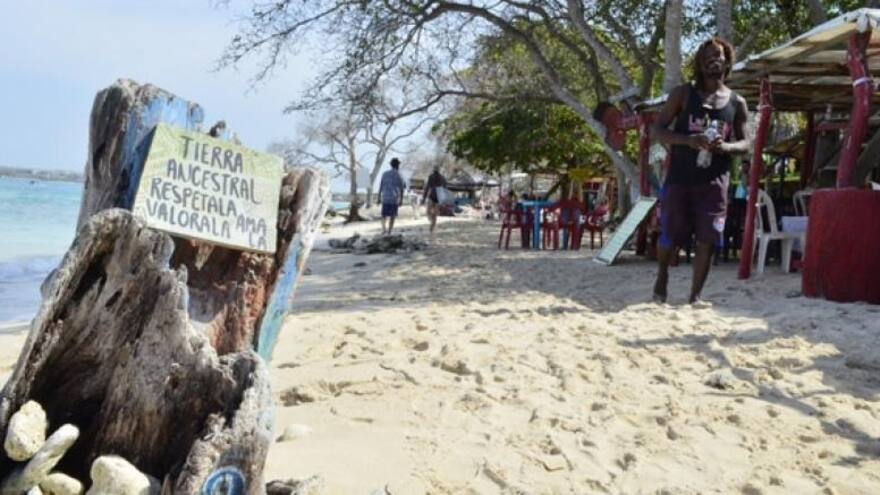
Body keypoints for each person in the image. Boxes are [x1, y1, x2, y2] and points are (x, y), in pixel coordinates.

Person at [651, 37, 750, 304]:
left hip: (715, 182)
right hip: (680, 179)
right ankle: (662, 277)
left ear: (727, 61)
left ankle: (695, 296)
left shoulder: (736, 102)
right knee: (670, 235)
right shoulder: (683, 94)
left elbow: (746, 142)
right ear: (698, 62)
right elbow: (656, 129)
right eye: (706, 55)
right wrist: (688, 141)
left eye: (718, 55)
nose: (712, 59)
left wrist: (725, 147)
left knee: (708, 239)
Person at [378, 157, 406, 235]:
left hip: (385, 197)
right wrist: (401, 200)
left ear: (391, 165)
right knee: (392, 216)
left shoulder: (384, 174)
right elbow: (402, 188)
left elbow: (381, 186)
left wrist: (378, 197)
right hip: (394, 198)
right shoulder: (399, 175)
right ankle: (389, 231)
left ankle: (384, 229)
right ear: (397, 165)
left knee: (384, 215)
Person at [422, 165, 447, 234]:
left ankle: (431, 227)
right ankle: (432, 227)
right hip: (437, 196)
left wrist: (424, 198)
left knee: (429, 212)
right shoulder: (442, 178)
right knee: (432, 214)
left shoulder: (433, 177)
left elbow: (427, 187)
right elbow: (445, 189)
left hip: (434, 196)